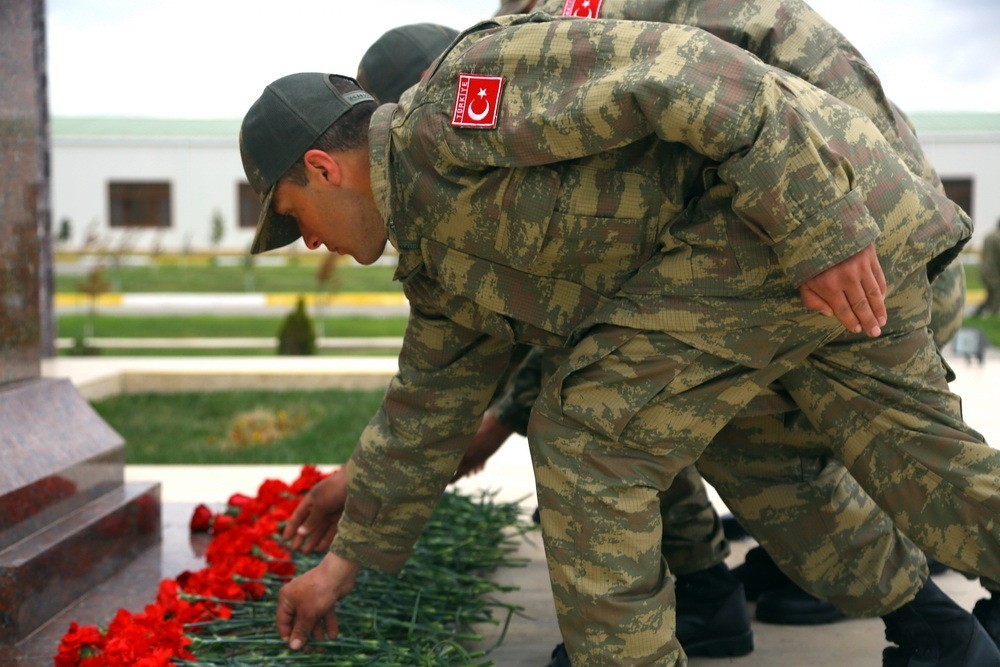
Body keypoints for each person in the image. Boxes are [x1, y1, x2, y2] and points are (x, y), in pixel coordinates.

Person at [238, 14, 1000, 666]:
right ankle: (941, 633)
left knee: (589, 437)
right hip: (794, 249)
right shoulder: (437, 267)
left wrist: (818, 230)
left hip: (805, 223)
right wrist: (343, 564)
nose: (307, 243)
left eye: (293, 217)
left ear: (322, 167)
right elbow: (424, 410)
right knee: (894, 466)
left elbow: (700, 71)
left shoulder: (460, 104)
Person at [974, 218, 1000, 317]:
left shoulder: (989, 235)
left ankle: (978, 312)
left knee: (990, 295)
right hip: (994, 272)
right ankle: (992, 315)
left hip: (985, 270)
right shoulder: (998, 237)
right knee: (997, 294)